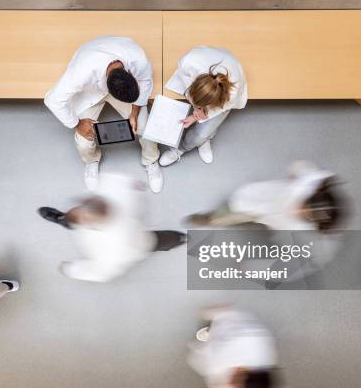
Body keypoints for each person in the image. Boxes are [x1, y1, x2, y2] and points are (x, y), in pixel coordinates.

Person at [45, 36, 163, 193]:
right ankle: (91, 161)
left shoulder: (138, 59)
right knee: (84, 141)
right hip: (90, 92)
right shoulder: (81, 73)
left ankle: (151, 160)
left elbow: (145, 82)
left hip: (117, 79)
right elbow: (52, 100)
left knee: (145, 127)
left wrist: (134, 112)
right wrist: (77, 124)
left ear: (130, 73)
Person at [38, 173, 185, 282]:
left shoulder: (114, 249)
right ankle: (62, 219)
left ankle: (181, 238)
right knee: (71, 220)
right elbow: (123, 183)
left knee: (160, 240)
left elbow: (101, 272)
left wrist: (72, 269)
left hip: (141, 241)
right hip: (118, 226)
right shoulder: (116, 194)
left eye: (83, 216)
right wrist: (134, 186)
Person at [186, 161, 347, 231]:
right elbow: (299, 167)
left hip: (260, 215)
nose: (299, 211)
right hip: (253, 200)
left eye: (306, 215)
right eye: (304, 206)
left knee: (246, 216)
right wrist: (295, 174)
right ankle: (209, 219)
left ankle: (215, 219)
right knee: (224, 215)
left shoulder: (303, 226)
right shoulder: (309, 182)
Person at [159, 46, 247, 167]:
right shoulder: (189, 61)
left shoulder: (232, 95)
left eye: (199, 107)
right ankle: (199, 140)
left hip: (232, 72)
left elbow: (217, 110)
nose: (194, 107)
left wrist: (196, 117)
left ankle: (191, 145)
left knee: (202, 133)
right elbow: (183, 74)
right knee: (204, 128)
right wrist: (196, 109)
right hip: (212, 56)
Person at [188, 305, 281, 388]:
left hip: (229, 327)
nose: (231, 385)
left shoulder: (259, 358)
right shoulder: (222, 359)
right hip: (225, 322)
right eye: (236, 384)